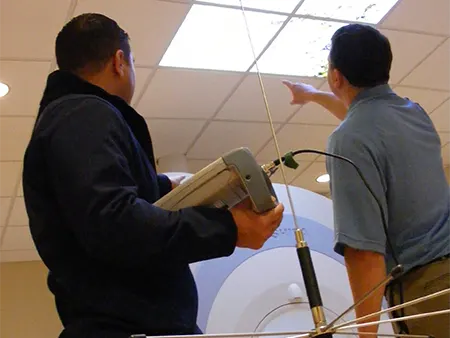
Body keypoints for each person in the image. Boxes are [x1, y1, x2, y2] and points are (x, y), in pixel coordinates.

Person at [22, 13, 284, 338]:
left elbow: (104, 200)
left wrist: (168, 186)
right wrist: (229, 229)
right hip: (126, 328)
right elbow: (113, 223)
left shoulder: (71, 120)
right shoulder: (84, 114)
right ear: (120, 61)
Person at [283, 24, 450, 338]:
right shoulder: (415, 112)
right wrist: (314, 96)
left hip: (428, 291)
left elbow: (364, 253)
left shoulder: (347, 140)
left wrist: (366, 335)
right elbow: (363, 118)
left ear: (336, 77)